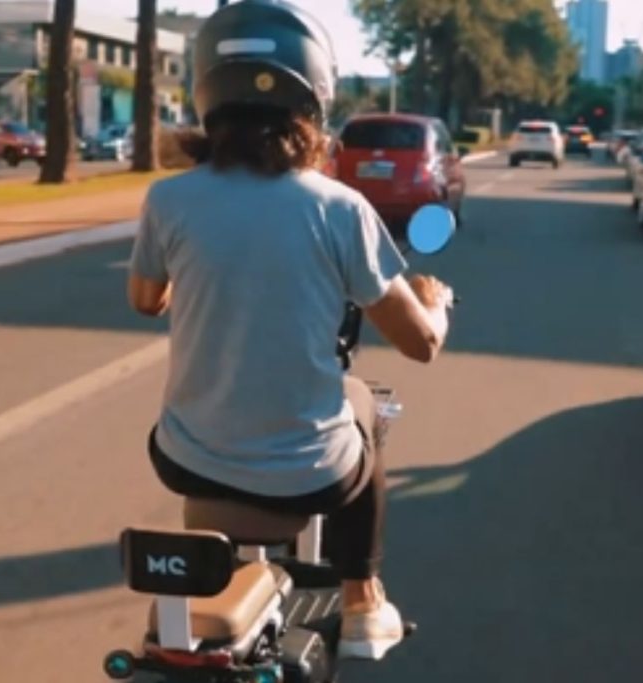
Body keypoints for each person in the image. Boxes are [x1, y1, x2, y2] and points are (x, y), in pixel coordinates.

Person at [127, 0, 453, 661]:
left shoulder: (168, 200)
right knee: (362, 401)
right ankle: (362, 602)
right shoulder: (339, 207)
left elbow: (145, 299)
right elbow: (420, 344)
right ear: (313, 103)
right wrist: (436, 301)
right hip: (312, 479)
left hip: (186, 461)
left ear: (207, 98)